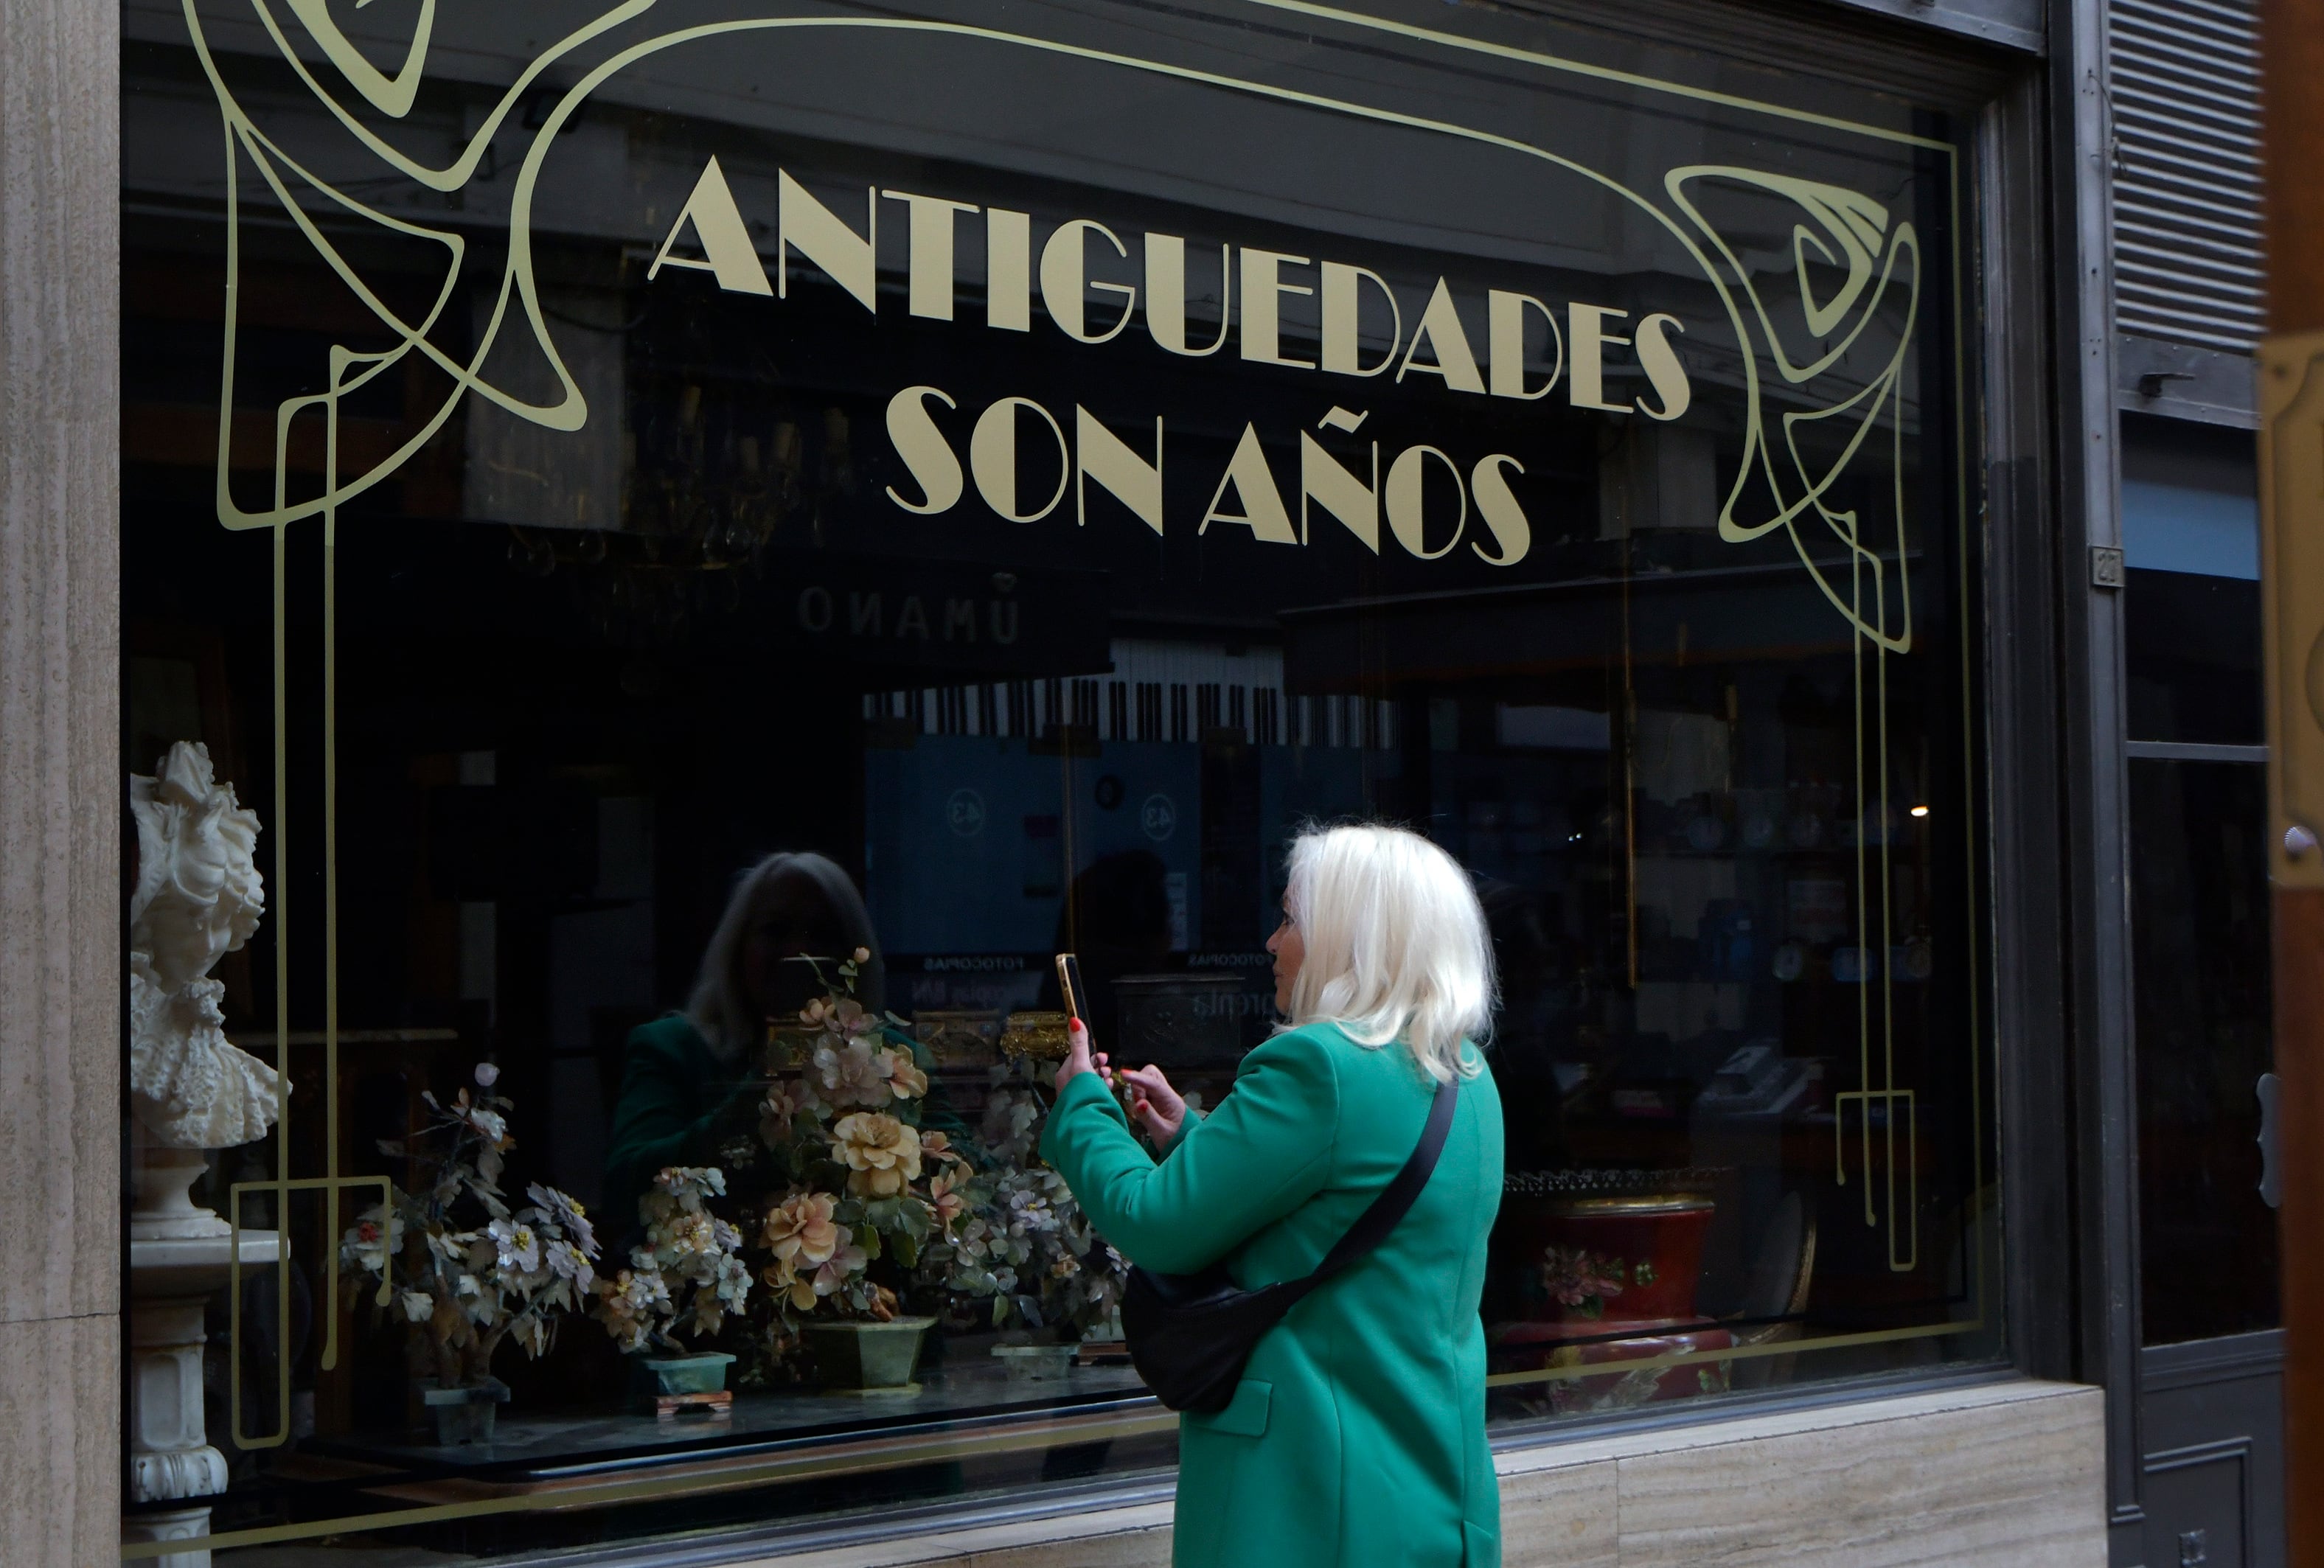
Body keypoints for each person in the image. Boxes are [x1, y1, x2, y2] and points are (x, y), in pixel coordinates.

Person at [1041, 823, 1507, 1568]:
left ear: (1346, 937)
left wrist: (1082, 1109)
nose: (1270, 941)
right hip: (1430, 1487)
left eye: (1290, 918)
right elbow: (1339, 1206)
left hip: (1309, 1500)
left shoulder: (1317, 1066)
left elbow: (1154, 1225)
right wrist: (1192, 1135)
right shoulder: (1464, 1073)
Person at [602, 851, 883, 1229]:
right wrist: (763, 1088)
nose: (797, 953)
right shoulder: (671, 1048)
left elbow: (965, 1174)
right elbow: (626, 1186)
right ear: (737, 947)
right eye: (775, 931)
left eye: (821, 934)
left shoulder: (893, 1060)